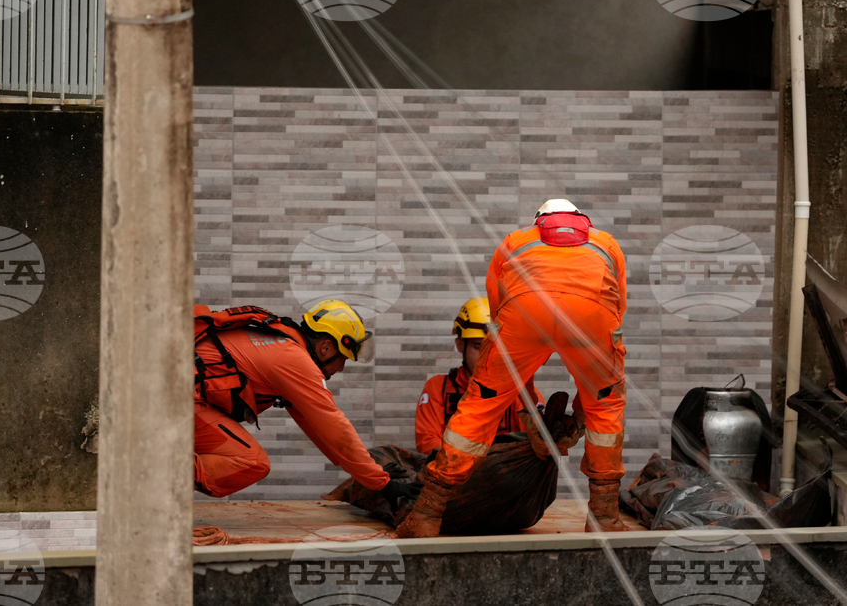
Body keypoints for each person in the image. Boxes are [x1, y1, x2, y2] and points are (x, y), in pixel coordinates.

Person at [397, 199, 628, 536]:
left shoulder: (516, 240)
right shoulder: (606, 243)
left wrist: (523, 360)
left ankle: (426, 514)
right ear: (581, 221)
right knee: (606, 405)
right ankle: (604, 518)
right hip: (593, 316)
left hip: (523, 314)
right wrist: (581, 415)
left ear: (539, 222)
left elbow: (497, 310)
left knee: (480, 405)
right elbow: (616, 310)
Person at [193, 299, 419, 505]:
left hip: (179, 393)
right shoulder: (293, 360)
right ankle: (161, 481)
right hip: (180, 398)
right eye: (342, 359)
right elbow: (334, 426)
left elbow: (318, 426)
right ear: (326, 347)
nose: (340, 368)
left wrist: (369, 468)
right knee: (251, 462)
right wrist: (383, 484)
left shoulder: (283, 343)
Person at [414, 297, 542, 455]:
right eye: (479, 347)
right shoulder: (438, 389)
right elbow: (427, 443)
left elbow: (540, 442)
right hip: (451, 476)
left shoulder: (520, 393)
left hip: (507, 477)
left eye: (495, 349)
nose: (487, 357)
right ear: (461, 345)